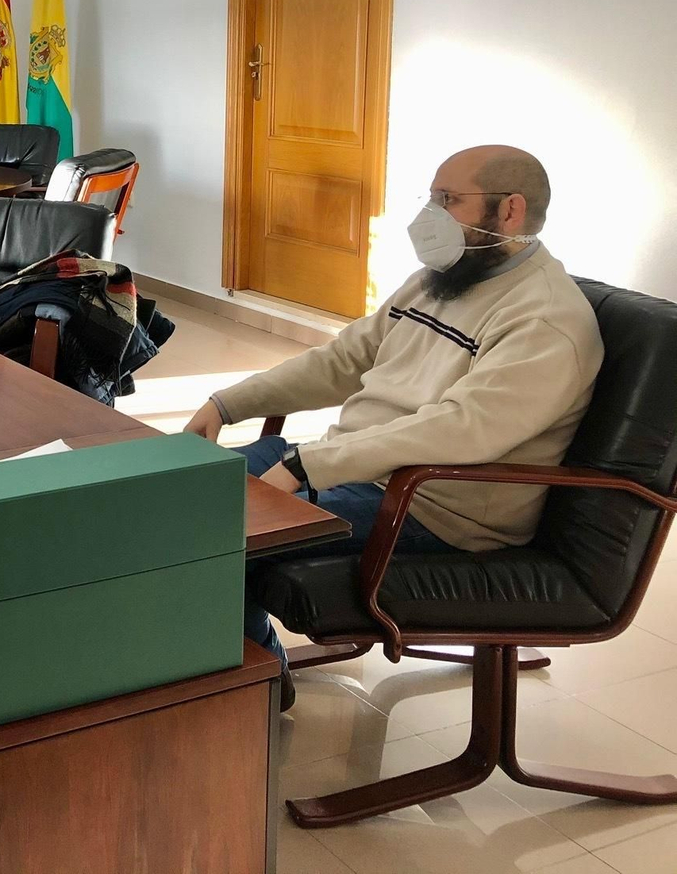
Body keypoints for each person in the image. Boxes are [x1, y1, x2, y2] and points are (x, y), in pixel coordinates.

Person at [184, 146, 602, 710]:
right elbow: (342, 360)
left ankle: (252, 686)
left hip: (432, 507)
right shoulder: (439, 280)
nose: (429, 215)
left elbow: (458, 430)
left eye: (448, 200)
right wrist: (227, 403)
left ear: (510, 211)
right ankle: (222, 665)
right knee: (180, 495)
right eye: (431, 197)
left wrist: (310, 467)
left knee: (210, 532)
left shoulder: (547, 319)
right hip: (360, 469)